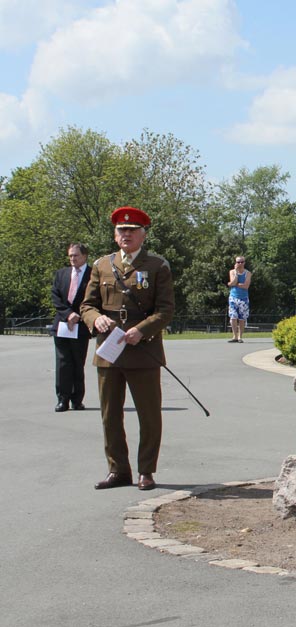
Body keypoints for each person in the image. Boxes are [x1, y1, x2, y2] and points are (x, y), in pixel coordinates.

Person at [80, 206, 175, 491]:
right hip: (109, 348)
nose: (126, 235)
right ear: (115, 234)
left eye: (132, 231)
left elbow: (166, 310)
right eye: (122, 230)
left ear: (143, 235)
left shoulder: (157, 266)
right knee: (110, 415)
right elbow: (87, 306)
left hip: (142, 348)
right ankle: (118, 470)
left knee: (149, 414)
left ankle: (146, 471)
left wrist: (142, 329)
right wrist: (96, 320)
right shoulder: (102, 265)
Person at [51, 243, 92, 412]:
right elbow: (55, 297)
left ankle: (77, 400)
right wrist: (68, 314)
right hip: (62, 324)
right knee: (63, 363)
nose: (72, 259)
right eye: (70, 256)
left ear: (84, 256)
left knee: (77, 363)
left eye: (75, 255)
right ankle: (63, 399)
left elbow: (94, 299)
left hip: (81, 327)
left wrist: (80, 316)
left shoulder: (92, 274)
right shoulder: (62, 274)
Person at [226, 256, 251, 343]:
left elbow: (246, 286)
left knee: (242, 318)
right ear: (235, 263)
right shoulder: (232, 272)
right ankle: (234, 336)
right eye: (238, 262)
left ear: (244, 263)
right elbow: (232, 282)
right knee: (233, 317)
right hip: (233, 297)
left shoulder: (247, 273)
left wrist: (235, 284)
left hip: (243, 298)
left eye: (241, 262)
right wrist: (236, 274)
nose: (240, 264)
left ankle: (240, 336)